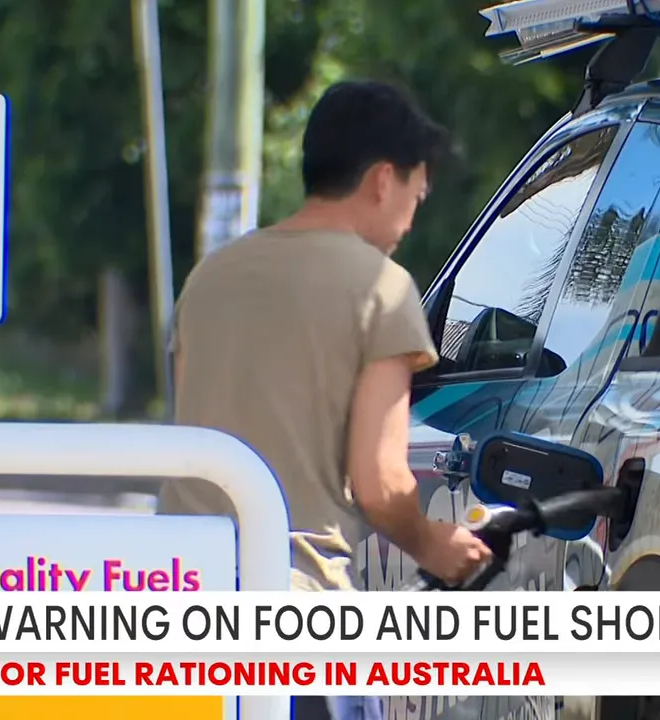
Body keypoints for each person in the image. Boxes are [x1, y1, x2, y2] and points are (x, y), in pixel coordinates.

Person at [158, 80, 492, 718]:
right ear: (382, 180)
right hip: (294, 616)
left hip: (178, 602)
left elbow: (192, 428)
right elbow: (380, 481)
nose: (411, 219)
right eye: (415, 196)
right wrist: (434, 545)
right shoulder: (382, 289)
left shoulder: (210, 277)